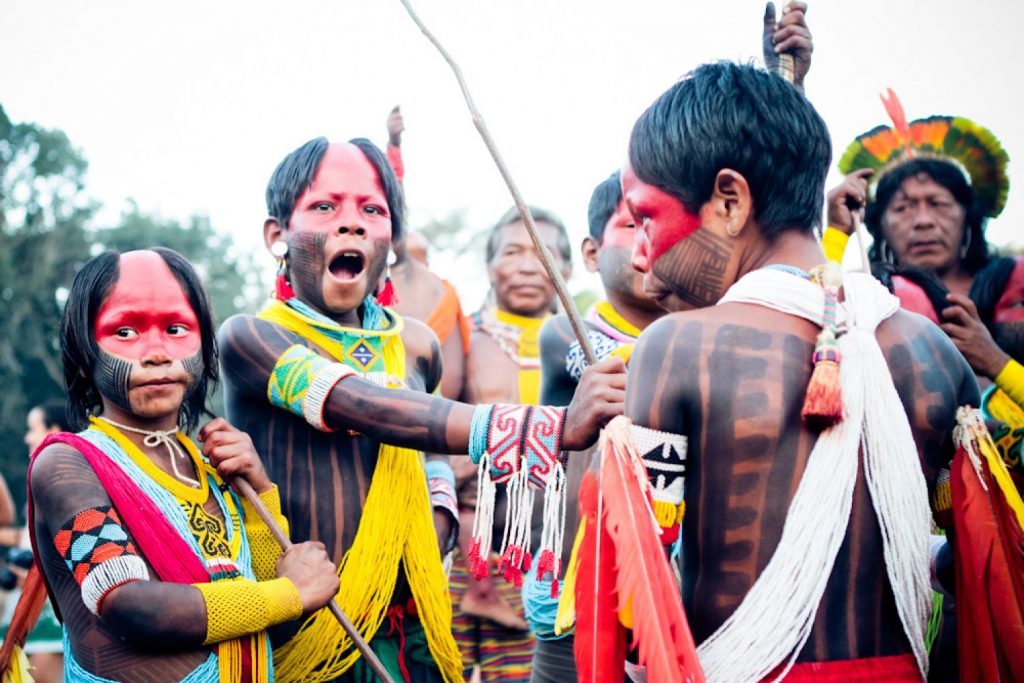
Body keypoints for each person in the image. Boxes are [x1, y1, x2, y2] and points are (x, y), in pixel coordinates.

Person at [617, 61, 975, 681]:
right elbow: (978, 563)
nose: (642, 256)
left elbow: (637, 594)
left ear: (729, 201)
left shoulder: (676, 348)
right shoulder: (933, 353)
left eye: (646, 218)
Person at [217, 138, 623, 682]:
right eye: (324, 206)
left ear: (391, 240)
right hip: (313, 629)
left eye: (372, 210)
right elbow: (360, 404)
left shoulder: (416, 345)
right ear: (277, 236)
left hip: (415, 629)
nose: (351, 222)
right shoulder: (252, 337)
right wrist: (549, 426)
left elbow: (427, 450)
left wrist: (440, 521)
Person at [23, 248, 339, 682]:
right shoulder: (68, 465)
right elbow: (127, 604)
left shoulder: (214, 467)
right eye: (125, 331)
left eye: (175, 329)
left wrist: (260, 495)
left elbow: (276, 627)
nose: (156, 353)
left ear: (204, 349)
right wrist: (291, 593)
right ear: (83, 355)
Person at [446, 205, 572, 682]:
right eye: (513, 252)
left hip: (546, 557)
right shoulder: (461, 341)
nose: (527, 266)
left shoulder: (585, 348)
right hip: (460, 553)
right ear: (489, 265)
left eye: (542, 254)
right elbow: (428, 430)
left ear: (566, 269)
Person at [824, 99, 1013, 395]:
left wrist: (994, 360)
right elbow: (812, 319)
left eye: (938, 204)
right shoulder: (867, 296)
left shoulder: (1013, 286)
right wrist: (837, 233)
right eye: (903, 208)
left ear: (968, 216)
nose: (923, 221)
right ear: (879, 226)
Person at [384, 103, 470, 401]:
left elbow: (460, 383)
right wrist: (394, 146)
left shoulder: (444, 294)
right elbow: (395, 205)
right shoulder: (371, 288)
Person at [0, 401, 68, 683]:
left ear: (54, 430)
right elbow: (28, 537)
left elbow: (72, 547)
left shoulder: (67, 480)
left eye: (33, 429)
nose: (27, 438)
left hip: (51, 612)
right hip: (30, 608)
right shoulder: (43, 477)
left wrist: (37, 577)